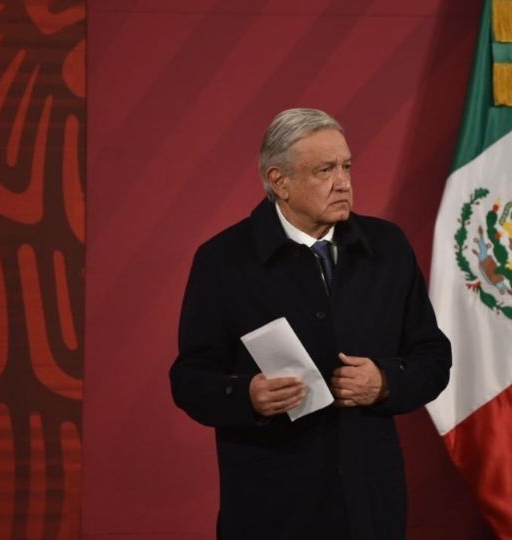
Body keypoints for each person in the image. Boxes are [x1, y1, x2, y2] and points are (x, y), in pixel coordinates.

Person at [169, 108, 451, 539]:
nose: (343, 182)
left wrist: (385, 381)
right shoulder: (223, 261)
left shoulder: (388, 248)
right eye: (325, 170)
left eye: (346, 166)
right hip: (270, 511)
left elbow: (433, 358)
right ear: (280, 181)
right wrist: (247, 395)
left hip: (370, 508)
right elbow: (190, 378)